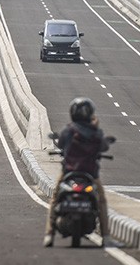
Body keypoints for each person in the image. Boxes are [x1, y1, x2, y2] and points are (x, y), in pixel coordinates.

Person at [44, 97, 122, 248]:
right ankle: (105, 237)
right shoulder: (95, 132)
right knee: (101, 201)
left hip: (69, 172)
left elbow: (60, 144)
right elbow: (104, 147)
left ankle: (49, 234)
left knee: (55, 198)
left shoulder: (69, 130)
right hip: (90, 173)